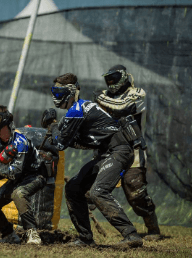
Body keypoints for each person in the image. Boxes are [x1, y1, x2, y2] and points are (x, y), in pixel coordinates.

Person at [42, 73, 143, 247]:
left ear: (71, 92)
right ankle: (85, 238)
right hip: (107, 154)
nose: (55, 97)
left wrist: (51, 124)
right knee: (73, 188)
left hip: (119, 151)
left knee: (98, 191)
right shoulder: (78, 110)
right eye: (53, 92)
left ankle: (131, 235)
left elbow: (60, 144)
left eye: (59, 92)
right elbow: (75, 141)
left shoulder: (77, 110)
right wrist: (55, 130)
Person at [94, 64, 160, 240]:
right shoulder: (105, 95)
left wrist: (99, 99)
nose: (110, 82)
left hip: (134, 150)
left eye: (113, 78)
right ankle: (87, 231)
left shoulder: (137, 93)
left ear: (123, 77)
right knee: (94, 188)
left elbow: (121, 108)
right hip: (110, 150)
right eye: (108, 79)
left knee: (135, 191)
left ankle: (152, 227)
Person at [0, 105, 46, 245]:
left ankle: (33, 234)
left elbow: (14, 173)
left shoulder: (20, 142)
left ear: (4, 121)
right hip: (18, 179)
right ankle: (9, 235)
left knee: (18, 194)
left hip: (36, 176)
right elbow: (4, 172)